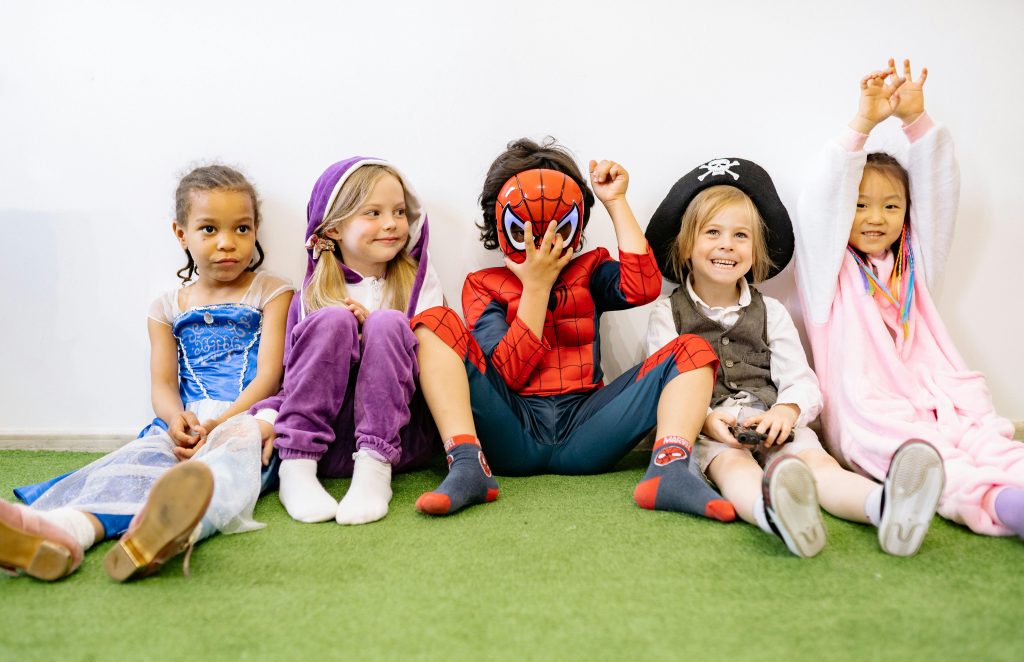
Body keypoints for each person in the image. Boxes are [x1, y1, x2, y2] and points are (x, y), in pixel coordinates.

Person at [412, 138, 733, 521]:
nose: (544, 235)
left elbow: (644, 286)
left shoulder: (590, 270)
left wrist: (616, 202)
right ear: (502, 223)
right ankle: (467, 464)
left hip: (587, 428)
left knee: (692, 349)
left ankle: (669, 470)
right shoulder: (483, 284)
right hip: (512, 430)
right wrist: (536, 286)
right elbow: (507, 374)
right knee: (433, 321)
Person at [1, 165, 292, 581]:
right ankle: (65, 531)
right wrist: (177, 421)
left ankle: (161, 534)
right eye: (209, 229)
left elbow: (269, 377)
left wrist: (222, 424)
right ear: (181, 234)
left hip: (244, 418)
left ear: (255, 229)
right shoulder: (166, 307)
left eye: (242, 229)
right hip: (185, 422)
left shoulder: (272, 292)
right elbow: (162, 385)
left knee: (219, 473)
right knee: (136, 463)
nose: (227, 243)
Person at [645, 158, 944, 557]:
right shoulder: (668, 314)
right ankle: (775, 515)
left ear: (756, 249)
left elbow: (800, 378)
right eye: (712, 232)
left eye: (740, 236)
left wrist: (786, 411)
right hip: (711, 429)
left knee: (819, 468)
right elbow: (664, 386)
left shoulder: (772, 313)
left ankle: (887, 505)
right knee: (736, 469)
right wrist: (707, 420)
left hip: (772, 420)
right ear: (686, 245)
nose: (727, 245)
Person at [795, 59, 1024, 540]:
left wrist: (915, 121)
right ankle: (1004, 505)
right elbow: (819, 203)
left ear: (907, 213)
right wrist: (863, 123)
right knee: (933, 463)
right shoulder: (827, 276)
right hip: (872, 415)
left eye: (891, 205)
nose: (875, 217)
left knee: (991, 441)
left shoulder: (916, 261)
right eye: (859, 205)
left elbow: (941, 194)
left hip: (942, 398)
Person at [252, 157, 443, 525]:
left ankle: (374, 472)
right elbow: (294, 379)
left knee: (387, 323)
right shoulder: (313, 294)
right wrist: (266, 419)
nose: (391, 223)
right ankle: (296, 468)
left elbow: (437, 366)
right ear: (335, 229)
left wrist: (374, 333)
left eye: (399, 211)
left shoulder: (418, 283)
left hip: (398, 438)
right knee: (334, 319)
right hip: (324, 440)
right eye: (372, 212)